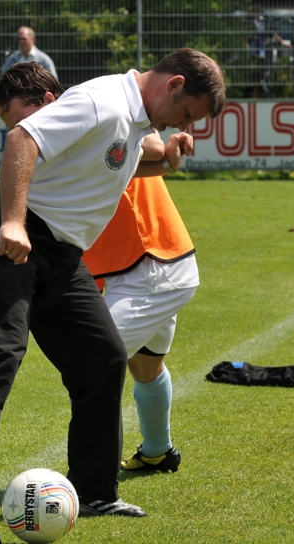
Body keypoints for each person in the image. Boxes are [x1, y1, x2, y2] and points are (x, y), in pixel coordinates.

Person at [0, 51, 225, 544]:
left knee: (104, 358)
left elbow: (120, 166)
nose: (183, 123)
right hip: (11, 240)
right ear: (174, 84)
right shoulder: (105, 102)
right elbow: (21, 139)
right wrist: (11, 220)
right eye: (187, 114)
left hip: (62, 256)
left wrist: (168, 156)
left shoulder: (135, 118)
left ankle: (95, 491)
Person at [82, 165, 198, 475]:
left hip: (149, 271)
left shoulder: (92, 122)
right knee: (145, 365)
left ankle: (93, 477)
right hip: (154, 263)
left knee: (93, 365)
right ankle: (157, 453)